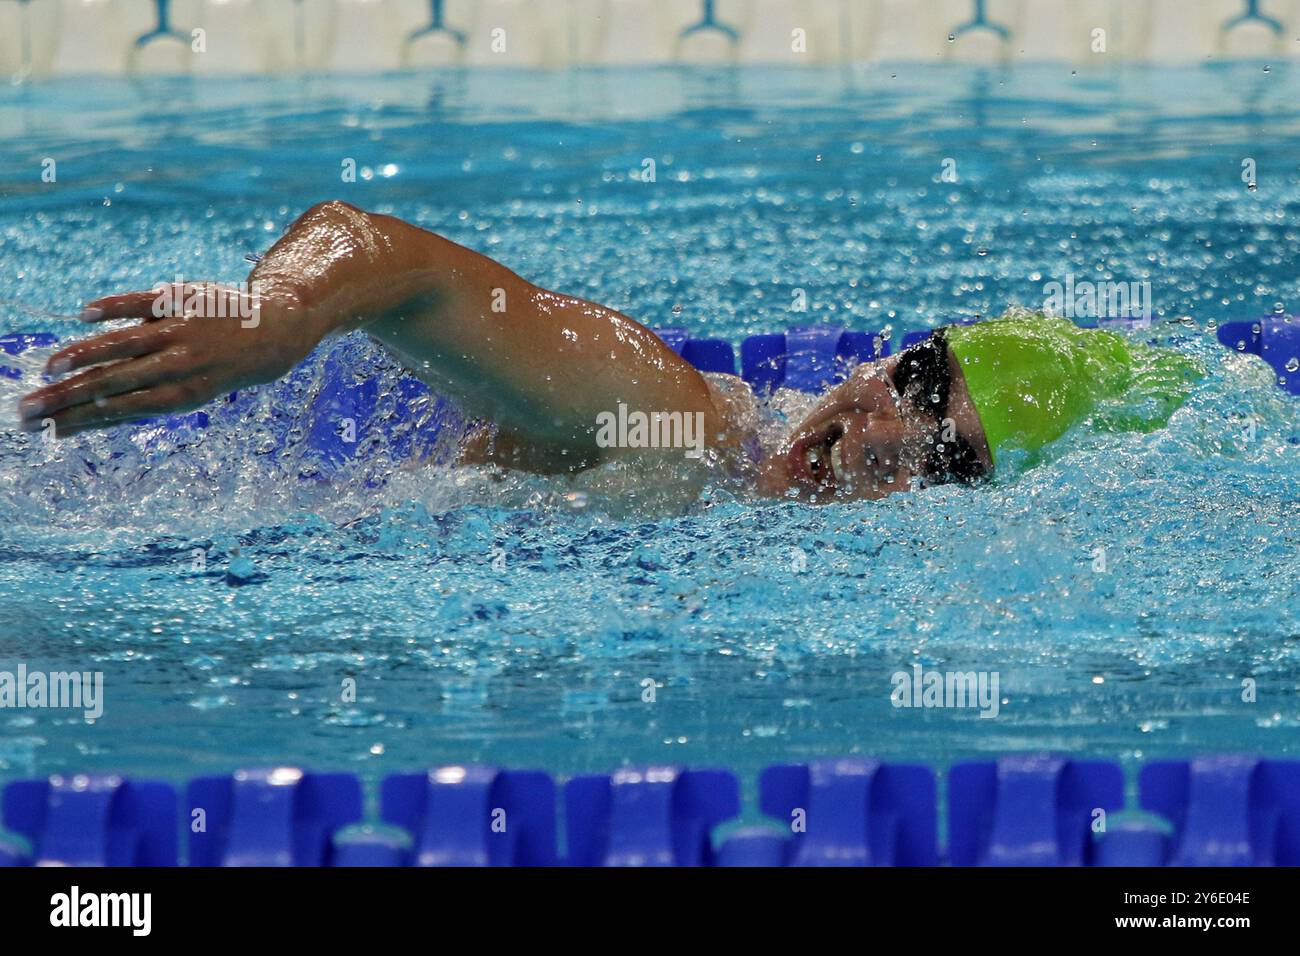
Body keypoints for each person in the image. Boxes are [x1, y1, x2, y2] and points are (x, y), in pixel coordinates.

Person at [16, 201, 1203, 503]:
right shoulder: (685, 424)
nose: (878, 429)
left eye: (945, 461)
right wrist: (279, 309)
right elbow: (394, 259)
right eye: (920, 377)